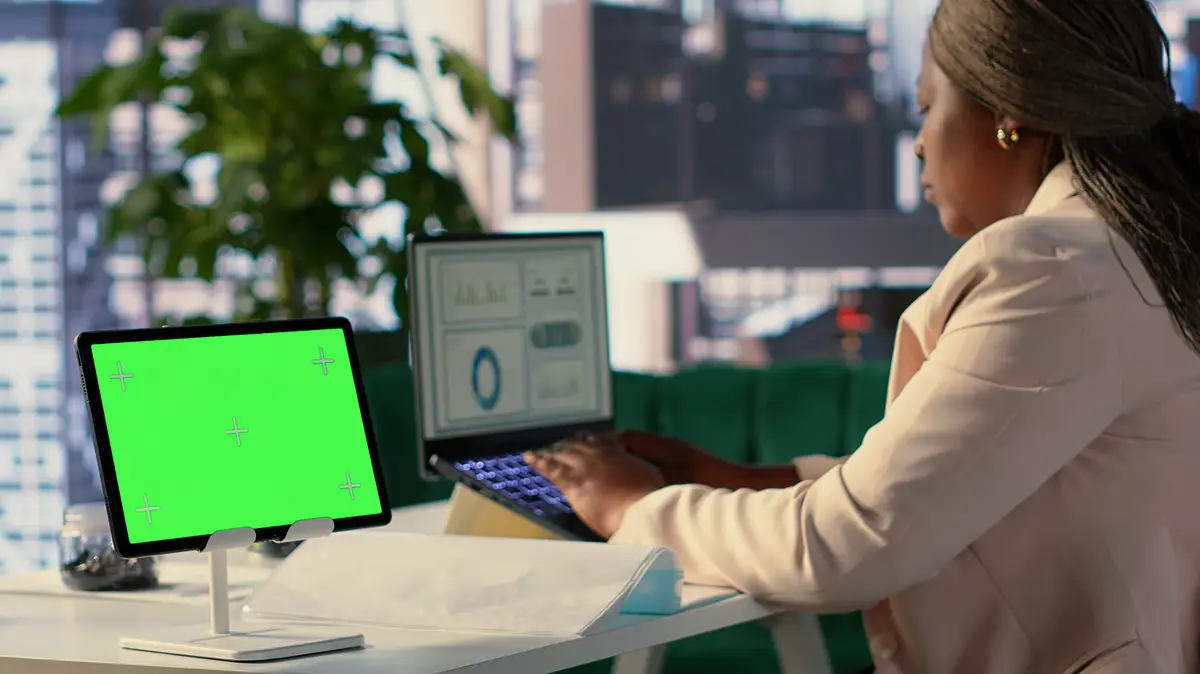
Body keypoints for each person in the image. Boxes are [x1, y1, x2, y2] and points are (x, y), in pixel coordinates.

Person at [525, 1, 1200, 672]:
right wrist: (749, 480)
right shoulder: (1138, 248)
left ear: (1007, 115)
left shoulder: (1052, 271)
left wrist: (633, 507)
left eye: (927, 108)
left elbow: (845, 548)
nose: (917, 142)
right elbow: (976, 474)